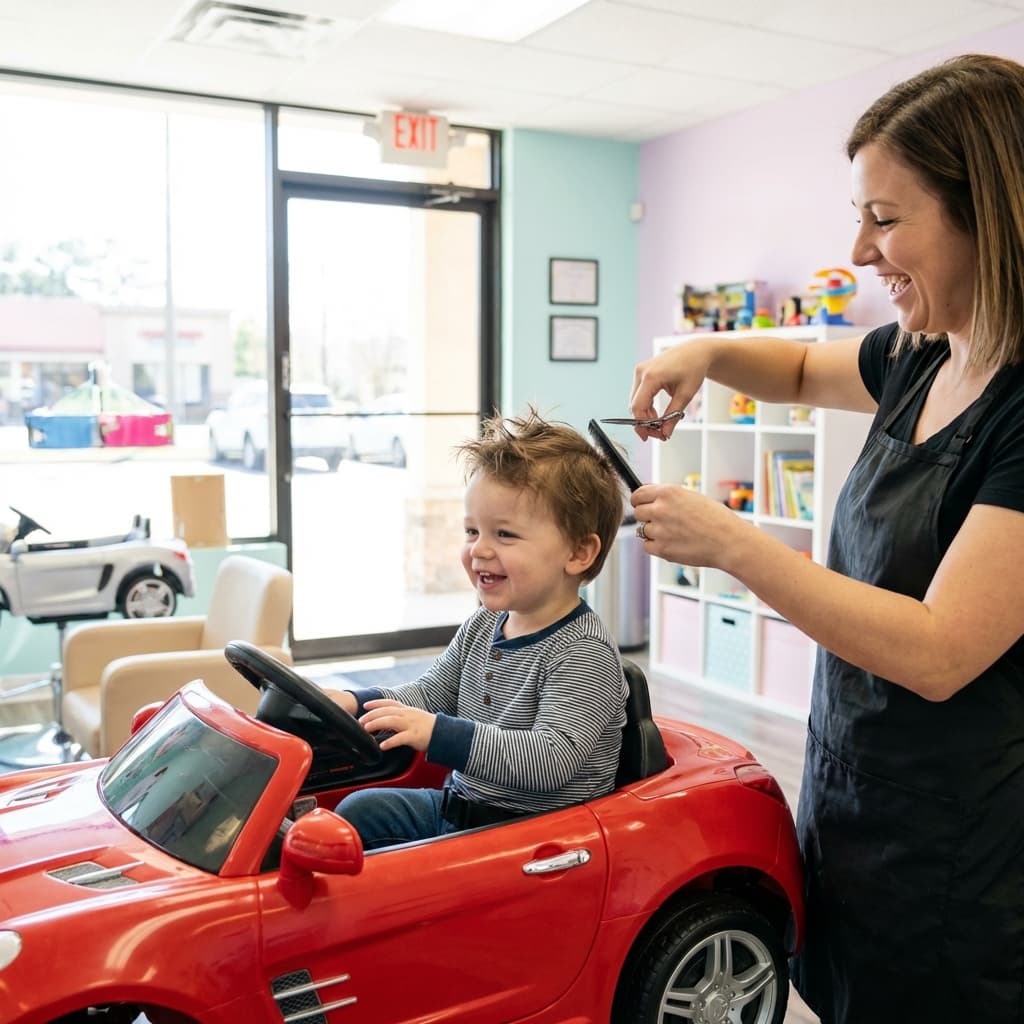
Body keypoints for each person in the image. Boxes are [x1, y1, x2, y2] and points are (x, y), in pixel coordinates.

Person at [626, 53, 1024, 1024]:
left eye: (884, 220)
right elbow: (803, 368)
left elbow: (939, 652)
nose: (858, 250)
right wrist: (707, 349)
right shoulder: (922, 357)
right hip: (854, 805)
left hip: (965, 859)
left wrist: (735, 546)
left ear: (995, 216)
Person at [326, 408, 629, 850]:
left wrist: (439, 734)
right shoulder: (485, 622)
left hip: (536, 840)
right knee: (356, 812)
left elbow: (552, 759)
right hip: (462, 807)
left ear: (579, 552)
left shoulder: (583, 651)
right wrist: (358, 702)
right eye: (472, 530)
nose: (479, 549)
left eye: (504, 535)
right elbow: (433, 693)